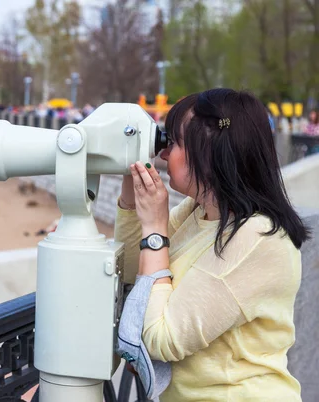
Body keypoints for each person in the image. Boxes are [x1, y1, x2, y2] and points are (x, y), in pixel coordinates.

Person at [115, 88, 309, 401]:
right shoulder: (200, 212)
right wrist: (129, 180)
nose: (162, 153)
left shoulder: (257, 238)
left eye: (173, 142)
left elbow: (160, 338)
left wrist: (154, 227)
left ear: (208, 153)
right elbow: (128, 268)